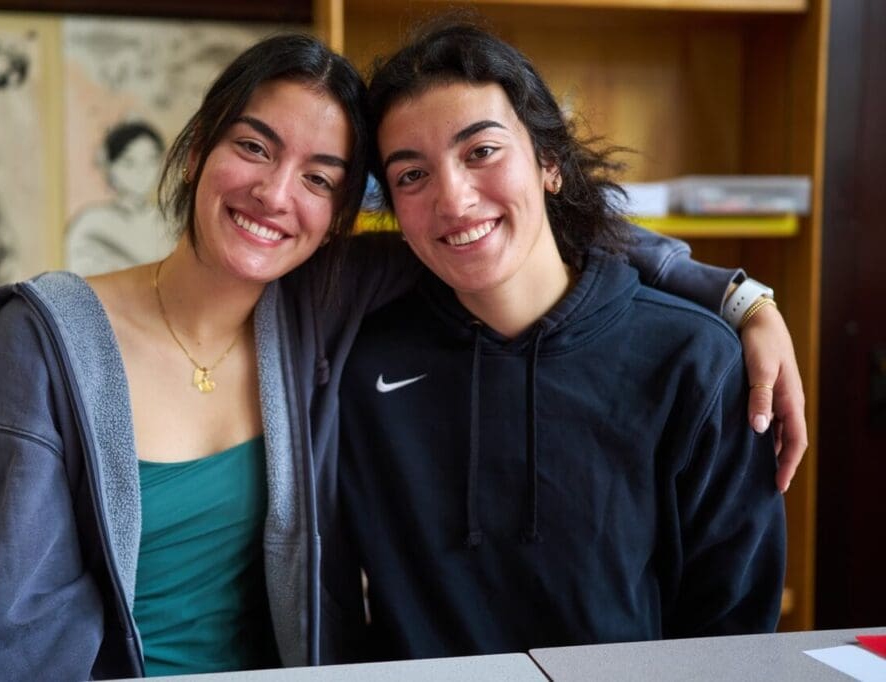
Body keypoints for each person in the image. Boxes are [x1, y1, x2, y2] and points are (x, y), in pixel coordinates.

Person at [0, 29, 802, 681]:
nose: (278, 195)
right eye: (252, 147)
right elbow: (8, 631)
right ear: (199, 148)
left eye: (320, 178)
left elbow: (537, 230)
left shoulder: (326, 300)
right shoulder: (50, 343)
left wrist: (734, 297)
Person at [328, 20, 787, 662]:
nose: (453, 199)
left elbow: (733, 627)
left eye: (481, 151)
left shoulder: (695, 359)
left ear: (549, 162)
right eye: (411, 175)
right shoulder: (361, 360)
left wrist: (747, 300)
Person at [66, 120, 173, 275]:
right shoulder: (90, 223)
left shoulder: (170, 222)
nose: (141, 171)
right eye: (129, 162)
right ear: (110, 167)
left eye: (151, 160)